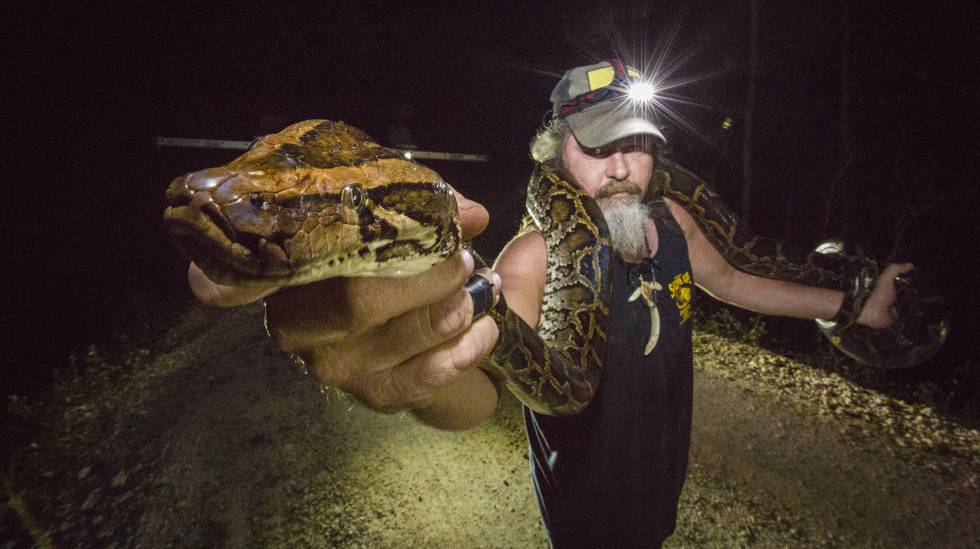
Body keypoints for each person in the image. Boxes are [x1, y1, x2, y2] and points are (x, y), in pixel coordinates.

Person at [187, 59, 908, 548]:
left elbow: (737, 279)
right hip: (588, 524)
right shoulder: (534, 256)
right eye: (599, 149)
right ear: (556, 154)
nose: (622, 167)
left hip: (658, 504)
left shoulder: (673, 226)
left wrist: (850, 304)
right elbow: (476, 396)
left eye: (637, 145)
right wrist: (424, 364)